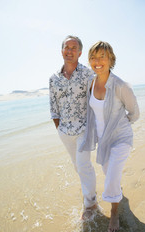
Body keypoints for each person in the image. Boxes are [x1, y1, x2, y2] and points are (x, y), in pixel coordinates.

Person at [79, 41, 140, 232]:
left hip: (121, 138)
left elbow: (134, 113)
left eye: (102, 56)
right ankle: (117, 193)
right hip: (102, 140)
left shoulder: (121, 86)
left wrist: (119, 125)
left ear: (110, 59)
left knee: (112, 176)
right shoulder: (91, 82)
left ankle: (114, 212)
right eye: (93, 57)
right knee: (109, 173)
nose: (98, 61)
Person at [49, 35, 97, 219]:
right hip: (65, 132)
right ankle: (89, 190)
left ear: (79, 52)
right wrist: (60, 128)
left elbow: (99, 97)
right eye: (66, 47)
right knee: (78, 165)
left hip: (84, 129)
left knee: (83, 165)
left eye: (73, 48)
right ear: (62, 51)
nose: (69, 51)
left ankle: (90, 203)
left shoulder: (87, 74)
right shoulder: (54, 79)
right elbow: (54, 108)